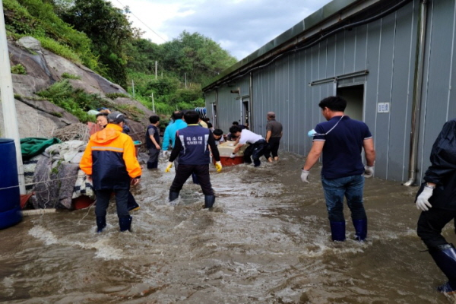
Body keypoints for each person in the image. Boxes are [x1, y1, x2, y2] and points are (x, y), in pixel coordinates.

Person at [301, 96, 376, 242]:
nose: (323, 114)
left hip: (333, 176)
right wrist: (370, 166)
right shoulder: (362, 126)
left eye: (323, 111)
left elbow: (316, 152)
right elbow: (370, 150)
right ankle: (361, 239)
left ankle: (339, 242)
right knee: (357, 206)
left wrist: (306, 170)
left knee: (335, 209)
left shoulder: (322, 127)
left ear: (327, 109)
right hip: (356, 174)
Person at [80, 112, 142, 232]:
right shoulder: (125, 138)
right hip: (120, 176)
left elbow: (86, 159)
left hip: (100, 175)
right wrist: (135, 174)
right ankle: (124, 231)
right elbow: (130, 159)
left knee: (101, 202)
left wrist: (90, 173)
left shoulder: (94, 137)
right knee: (122, 203)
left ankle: (100, 229)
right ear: (121, 123)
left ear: (108, 122)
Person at [415, 119, 456, 294]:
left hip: (450, 190)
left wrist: (429, 186)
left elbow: (446, 153)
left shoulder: (453, 125)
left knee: (427, 229)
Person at [164, 110, 222, 208]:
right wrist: (218, 161)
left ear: (185, 120)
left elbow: (176, 149)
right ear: (198, 120)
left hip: (185, 164)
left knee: (175, 187)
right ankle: (208, 211)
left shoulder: (180, 132)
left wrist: (170, 161)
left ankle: (172, 207)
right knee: (207, 188)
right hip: (202, 164)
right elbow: (213, 147)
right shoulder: (207, 131)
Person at [95, 110, 139, 212]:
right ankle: (131, 207)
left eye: (101, 120)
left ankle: (131, 206)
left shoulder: (120, 134)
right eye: (97, 121)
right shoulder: (100, 134)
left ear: (108, 121)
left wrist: (134, 174)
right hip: (112, 168)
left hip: (117, 168)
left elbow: (129, 157)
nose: (99, 123)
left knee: (120, 189)